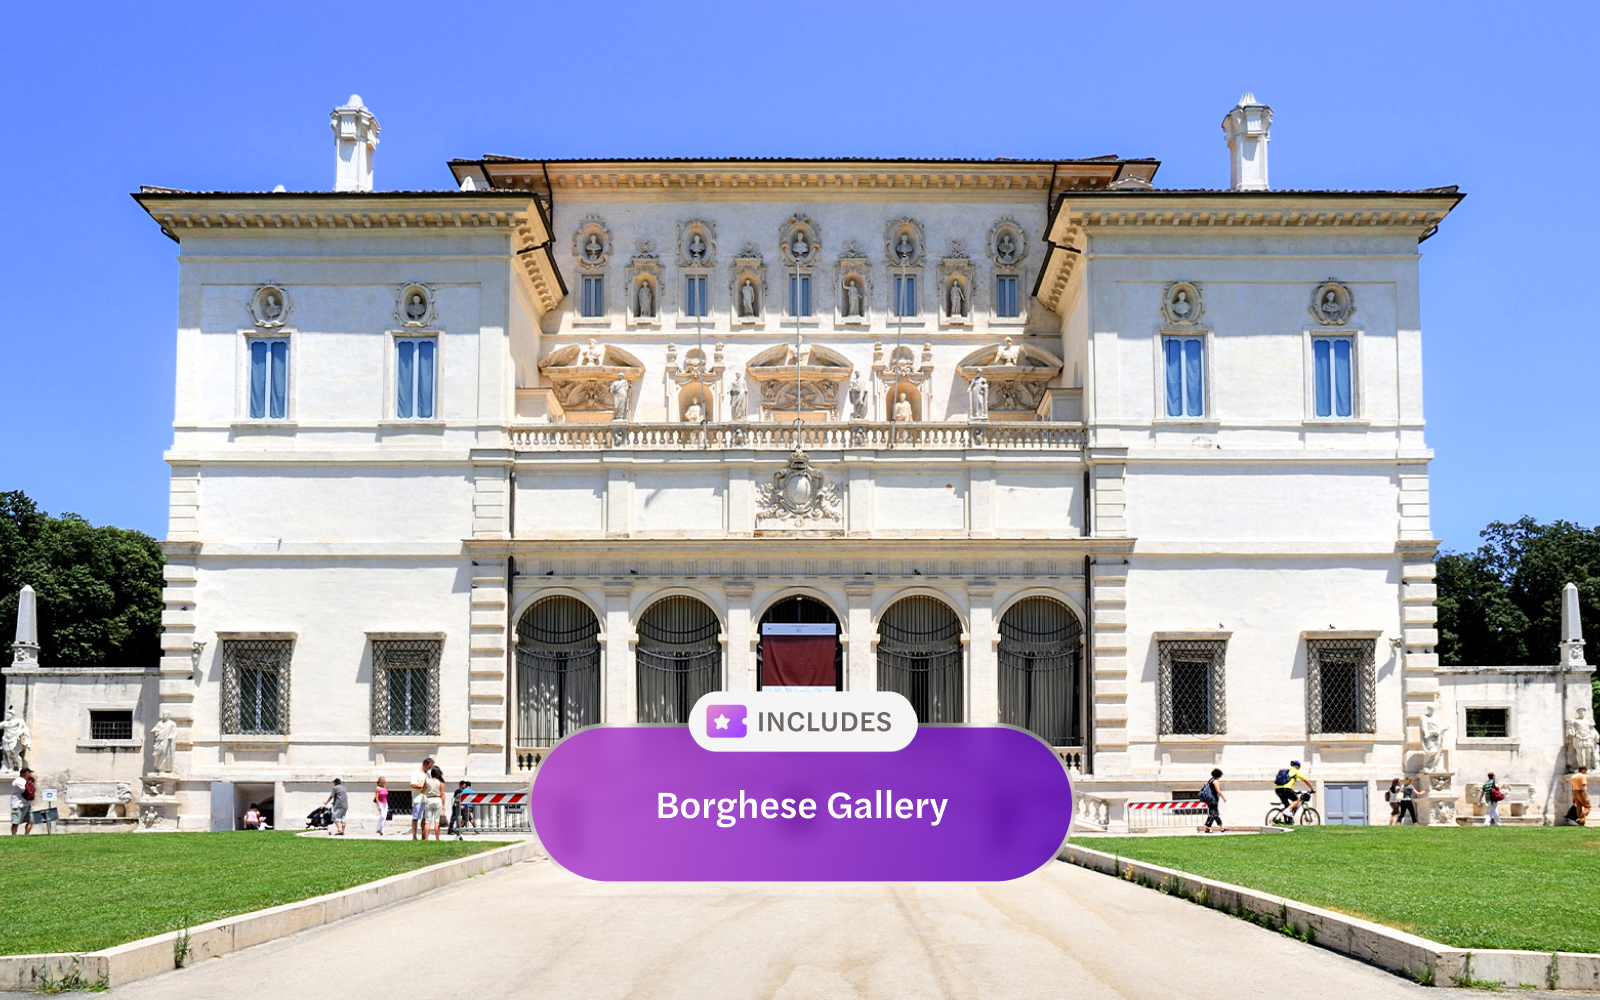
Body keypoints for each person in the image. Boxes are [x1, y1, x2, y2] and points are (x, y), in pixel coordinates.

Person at [1272, 760, 1315, 824]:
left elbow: (1286, 783)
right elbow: (1306, 781)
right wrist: (1312, 789)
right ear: (1298, 767)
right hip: (1286, 789)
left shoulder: (1287, 771)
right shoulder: (1296, 771)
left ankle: (1284, 819)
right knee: (1297, 800)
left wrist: (1294, 791)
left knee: (1287, 805)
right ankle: (1287, 811)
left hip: (1278, 789)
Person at [410, 757, 433, 840]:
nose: (430, 768)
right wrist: (423, 786)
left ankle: (424, 836)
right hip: (418, 798)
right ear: (425, 764)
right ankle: (414, 835)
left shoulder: (428, 774)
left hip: (426, 798)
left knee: (425, 818)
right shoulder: (416, 772)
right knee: (416, 818)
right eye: (429, 766)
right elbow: (413, 784)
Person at [10, 767, 35, 836]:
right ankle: (13, 835)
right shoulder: (18, 781)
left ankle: (26, 835)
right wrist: (30, 783)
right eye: (29, 773)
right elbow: (25, 790)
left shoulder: (27, 781)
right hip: (18, 804)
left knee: (31, 820)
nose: (30, 774)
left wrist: (31, 782)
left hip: (27, 804)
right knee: (16, 822)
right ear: (25, 773)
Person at [423, 766, 446, 841]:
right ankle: (437, 838)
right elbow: (442, 794)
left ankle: (426, 838)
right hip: (437, 799)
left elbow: (423, 791)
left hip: (429, 799)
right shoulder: (441, 782)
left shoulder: (427, 780)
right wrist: (443, 805)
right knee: (437, 821)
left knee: (427, 821)